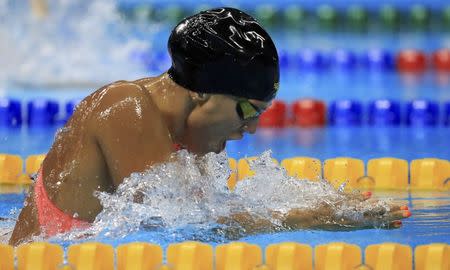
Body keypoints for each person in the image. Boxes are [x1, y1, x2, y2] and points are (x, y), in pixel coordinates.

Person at [9, 7, 410, 245]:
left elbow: (201, 214)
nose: (250, 130)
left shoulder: (187, 135)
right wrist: (304, 217)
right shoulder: (126, 108)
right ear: (205, 92)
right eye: (246, 112)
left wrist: (323, 205)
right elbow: (180, 226)